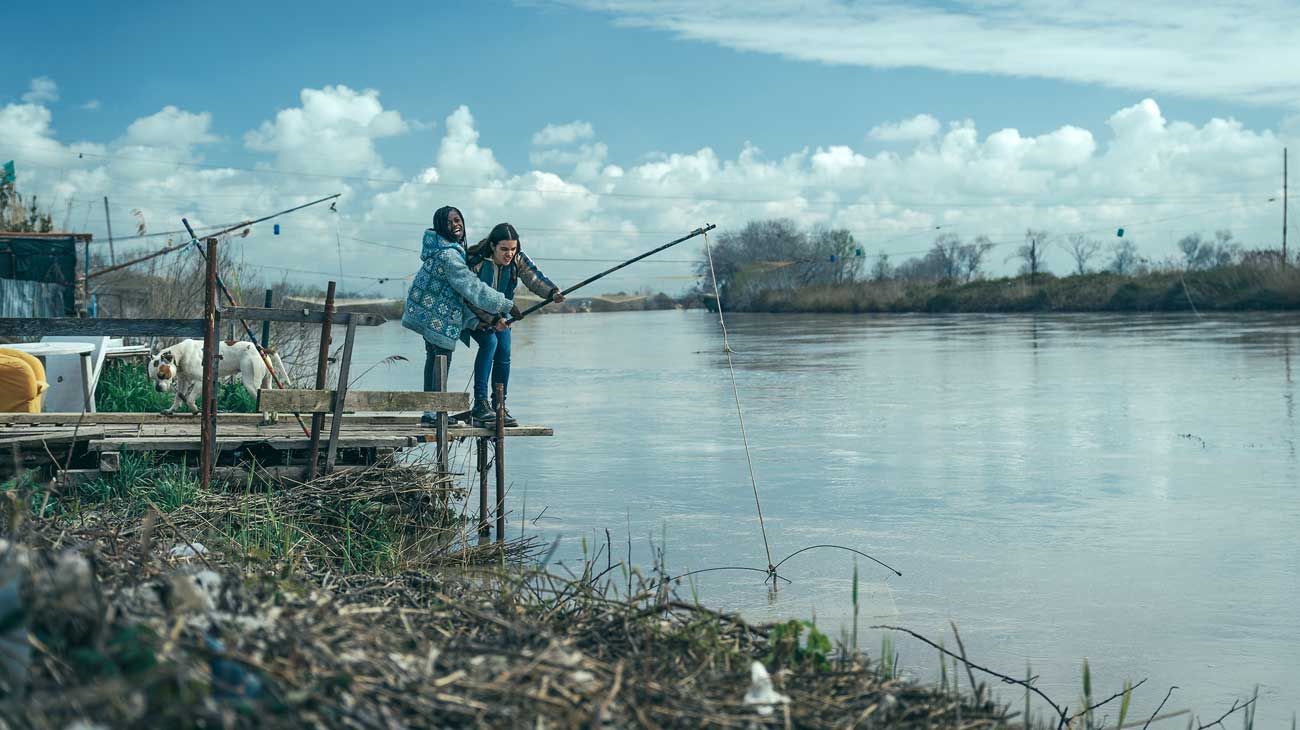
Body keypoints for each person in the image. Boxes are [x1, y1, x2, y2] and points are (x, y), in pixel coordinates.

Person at [401, 206, 515, 425]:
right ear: (441, 227)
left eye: (459, 220)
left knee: (434, 359)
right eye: (451, 222)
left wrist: (483, 318)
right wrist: (504, 303)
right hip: (436, 316)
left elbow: (460, 293)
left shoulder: (445, 249)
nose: (456, 225)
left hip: (430, 312)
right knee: (441, 360)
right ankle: (434, 414)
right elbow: (471, 287)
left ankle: (432, 412)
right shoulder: (449, 255)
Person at [461, 222, 564, 426]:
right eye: (504, 249)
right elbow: (469, 296)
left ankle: (499, 405)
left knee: (505, 351)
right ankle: (480, 405)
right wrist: (490, 319)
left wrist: (552, 292)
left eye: (513, 249)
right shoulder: (477, 261)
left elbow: (534, 278)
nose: (509, 254)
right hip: (473, 311)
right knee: (490, 343)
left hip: (502, 310)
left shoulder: (517, 259)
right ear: (493, 246)